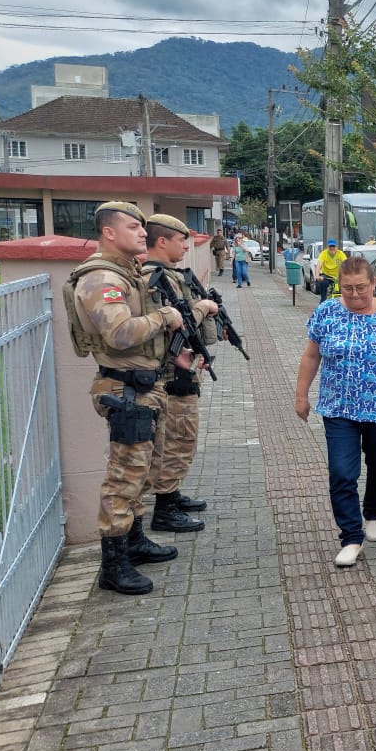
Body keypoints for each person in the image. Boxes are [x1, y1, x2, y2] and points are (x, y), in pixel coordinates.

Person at [61, 201, 185, 595]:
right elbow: (119, 334)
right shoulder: (100, 278)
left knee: (141, 472)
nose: (142, 233)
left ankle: (133, 542)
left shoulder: (129, 274)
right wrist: (164, 317)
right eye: (133, 227)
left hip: (144, 386)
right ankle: (113, 564)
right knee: (123, 477)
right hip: (124, 389)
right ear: (109, 232)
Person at [294, 256, 376, 568]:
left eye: (361, 288)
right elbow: (311, 356)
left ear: (373, 284)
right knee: (342, 472)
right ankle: (351, 537)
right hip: (338, 408)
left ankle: (374, 512)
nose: (354, 295)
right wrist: (301, 396)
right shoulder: (327, 311)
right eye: (347, 289)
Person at [142, 214, 219, 533]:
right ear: (162, 241)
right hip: (171, 375)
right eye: (181, 240)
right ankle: (164, 508)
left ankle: (170, 495)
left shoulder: (171, 275)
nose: (187, 245)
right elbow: (175, 323)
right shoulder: (153, 278)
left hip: (180, 369)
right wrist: (206, 308)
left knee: (179, 438)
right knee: (177, 438)